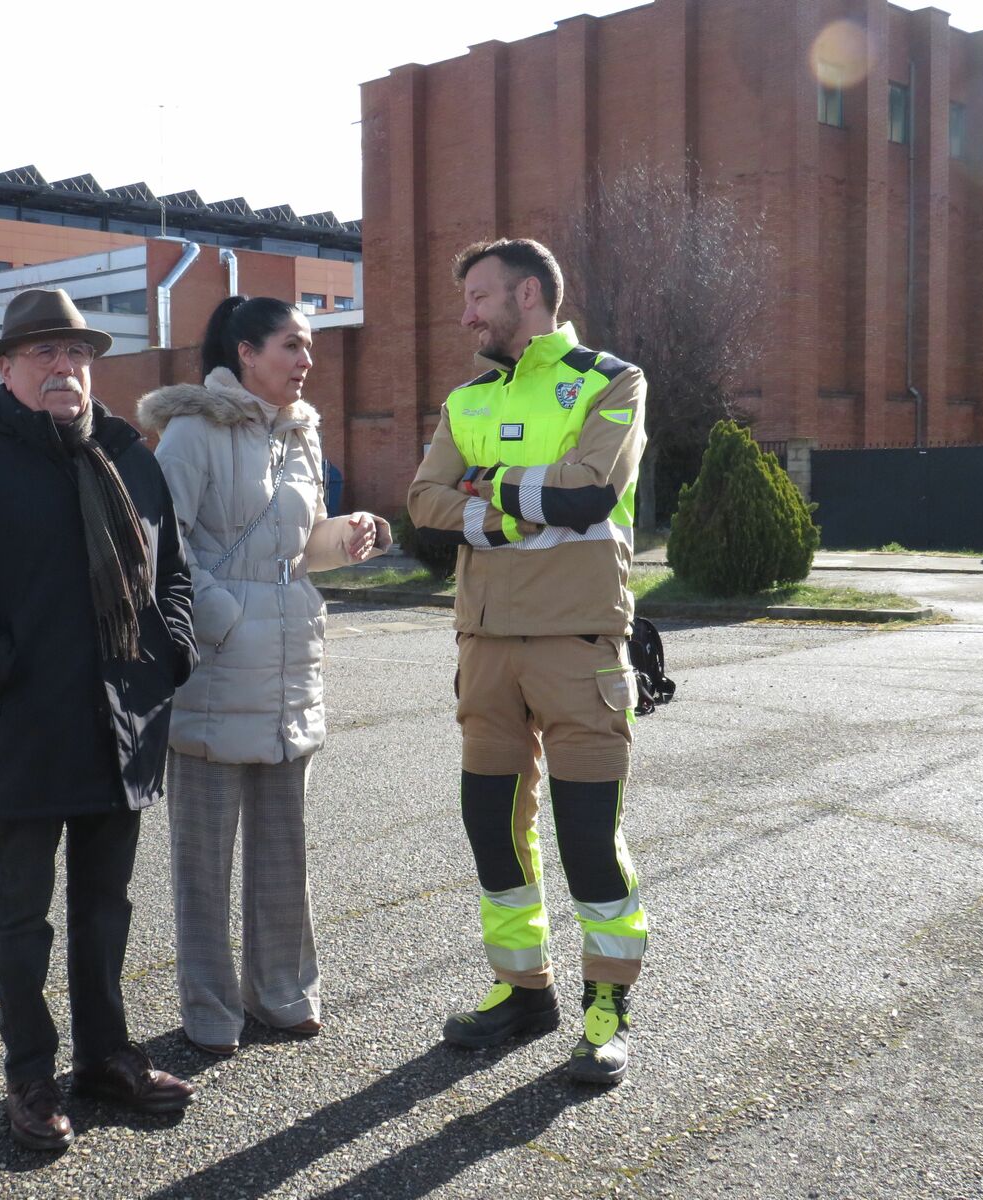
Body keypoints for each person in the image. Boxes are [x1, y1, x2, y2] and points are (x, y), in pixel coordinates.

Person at [0, 288, 199, 1151]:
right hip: (27, 719)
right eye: (43, 353)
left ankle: (106, 1057)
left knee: (108, 906)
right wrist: (1, 666)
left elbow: (171, 569)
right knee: (23, 914)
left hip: (124, 718)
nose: (64, 366)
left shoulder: (128, 453)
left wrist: (172, 650)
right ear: (6, 367)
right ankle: (31, 1075)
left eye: (77, 353)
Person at [407, 238, 649, 1085]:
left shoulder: (610, 379)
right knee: (493, 832)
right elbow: (425, 502)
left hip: (578, 644)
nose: (466, 314)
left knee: (588, 839)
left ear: (531, 293)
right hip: (483, 649)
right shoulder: (466, 396)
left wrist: (488, 484)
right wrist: (518, 510)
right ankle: (524, 992)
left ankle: (607, 1008)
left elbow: (591, 491)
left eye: (479, 296)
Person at [136, 295, 391, 1057]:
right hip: (215, 671)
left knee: (286, 852)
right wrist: (222, 619)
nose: (306, 361)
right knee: (203, 865)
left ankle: (283, 994)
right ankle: (210, 1011)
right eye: (291, 345)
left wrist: (347, 540)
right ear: (245, 352)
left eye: (307, 346)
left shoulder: (302, 435)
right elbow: (156, 543)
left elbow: (294, 546)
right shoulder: (191, 431)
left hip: (290, 668)